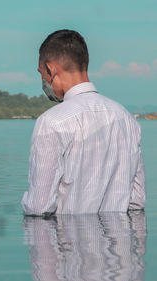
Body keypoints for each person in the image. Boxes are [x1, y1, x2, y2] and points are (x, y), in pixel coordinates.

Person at [21, 29, 145, 215]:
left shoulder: (52, 122)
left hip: (69, 242)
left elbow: (39, 207)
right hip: (121, 241)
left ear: (50, 69)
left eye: (42, 74)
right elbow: (137, 201)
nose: (44, 81)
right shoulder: (127, 119)